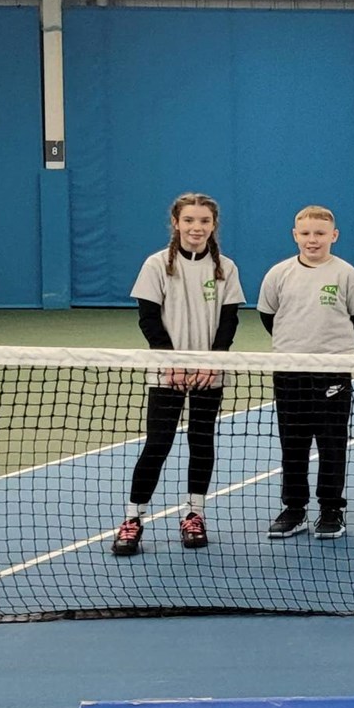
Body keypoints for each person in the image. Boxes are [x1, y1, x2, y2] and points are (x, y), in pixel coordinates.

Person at [111, 193, 244, 556]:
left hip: (209, 373)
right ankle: (133, 518)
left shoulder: (225, 268)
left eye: (203, 221)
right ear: (176, 223)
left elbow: (229, 322)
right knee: (158, 444)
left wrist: (211, 363)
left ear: (213, 225)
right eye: (189, 220)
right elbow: (148, 319)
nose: (196, 228)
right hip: (166, 374)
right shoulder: (156, 265)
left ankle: (194, 515)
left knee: (201, 441)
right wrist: (170, 361)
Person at [258, 205, 354, 540]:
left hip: (333, 374)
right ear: (295, 235)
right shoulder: (278, 274)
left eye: (320, 234)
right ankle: (294, 509)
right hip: (289, 372)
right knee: (292, 444)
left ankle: (331, 509)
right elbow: (269, 316)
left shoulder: (347, 275)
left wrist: (338, 357)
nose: (313, 240)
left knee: (332, 444)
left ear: (333, 236)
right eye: (306, 233)